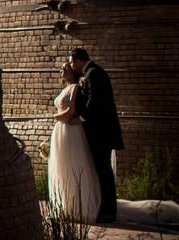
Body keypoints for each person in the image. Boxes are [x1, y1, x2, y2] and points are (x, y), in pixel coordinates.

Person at [69, 48, 124, 223]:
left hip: (102, 133)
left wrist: (81, 118)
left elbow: (95, 100)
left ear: (78, 60)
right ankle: (105, 208)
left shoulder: (93, 73)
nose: (71, 65)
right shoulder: (94, 72)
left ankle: (109, 211)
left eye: (71, 61)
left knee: (104, 171)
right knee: (102, 170)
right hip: (101, 132)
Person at [48, 62, 102, 222]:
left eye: (66, 68)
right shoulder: (66, 88)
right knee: (62, 167)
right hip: (60, 131)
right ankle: (65, 206)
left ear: (73, 71)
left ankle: (79, 208)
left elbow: (71, 111)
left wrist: (54, 117)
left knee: (73, 165)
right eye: (62, 68)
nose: (62, 70)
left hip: (71, 131)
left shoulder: (76, 88)